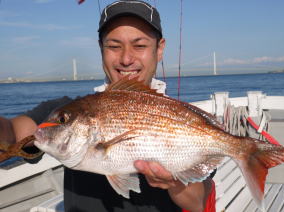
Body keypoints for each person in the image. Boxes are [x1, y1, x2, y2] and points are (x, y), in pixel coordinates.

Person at [0, 1, 215, 212]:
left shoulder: (184, 119)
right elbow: (12, 132)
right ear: (101, 48)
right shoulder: (68, 109)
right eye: (113, 46)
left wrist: (174, 183)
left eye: (140, 45)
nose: (126, 59)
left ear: (159, 49)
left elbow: (197, 204)